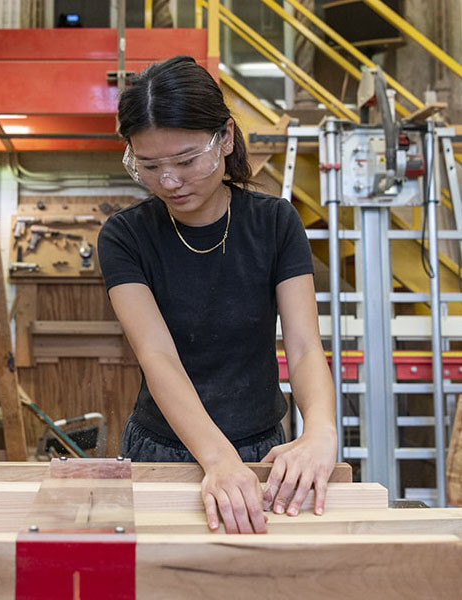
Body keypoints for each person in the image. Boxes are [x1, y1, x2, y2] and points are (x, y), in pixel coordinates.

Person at [97, 56, 336, 534]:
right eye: (149, 166)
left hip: (265, 450)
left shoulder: (275, 223)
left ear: (225, 138)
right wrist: (219, 461)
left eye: (186, 161)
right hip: (163, 449)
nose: (169, 181)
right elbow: (157, 356)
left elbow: (305, 347)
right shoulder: (125, 237)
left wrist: (320, 432)